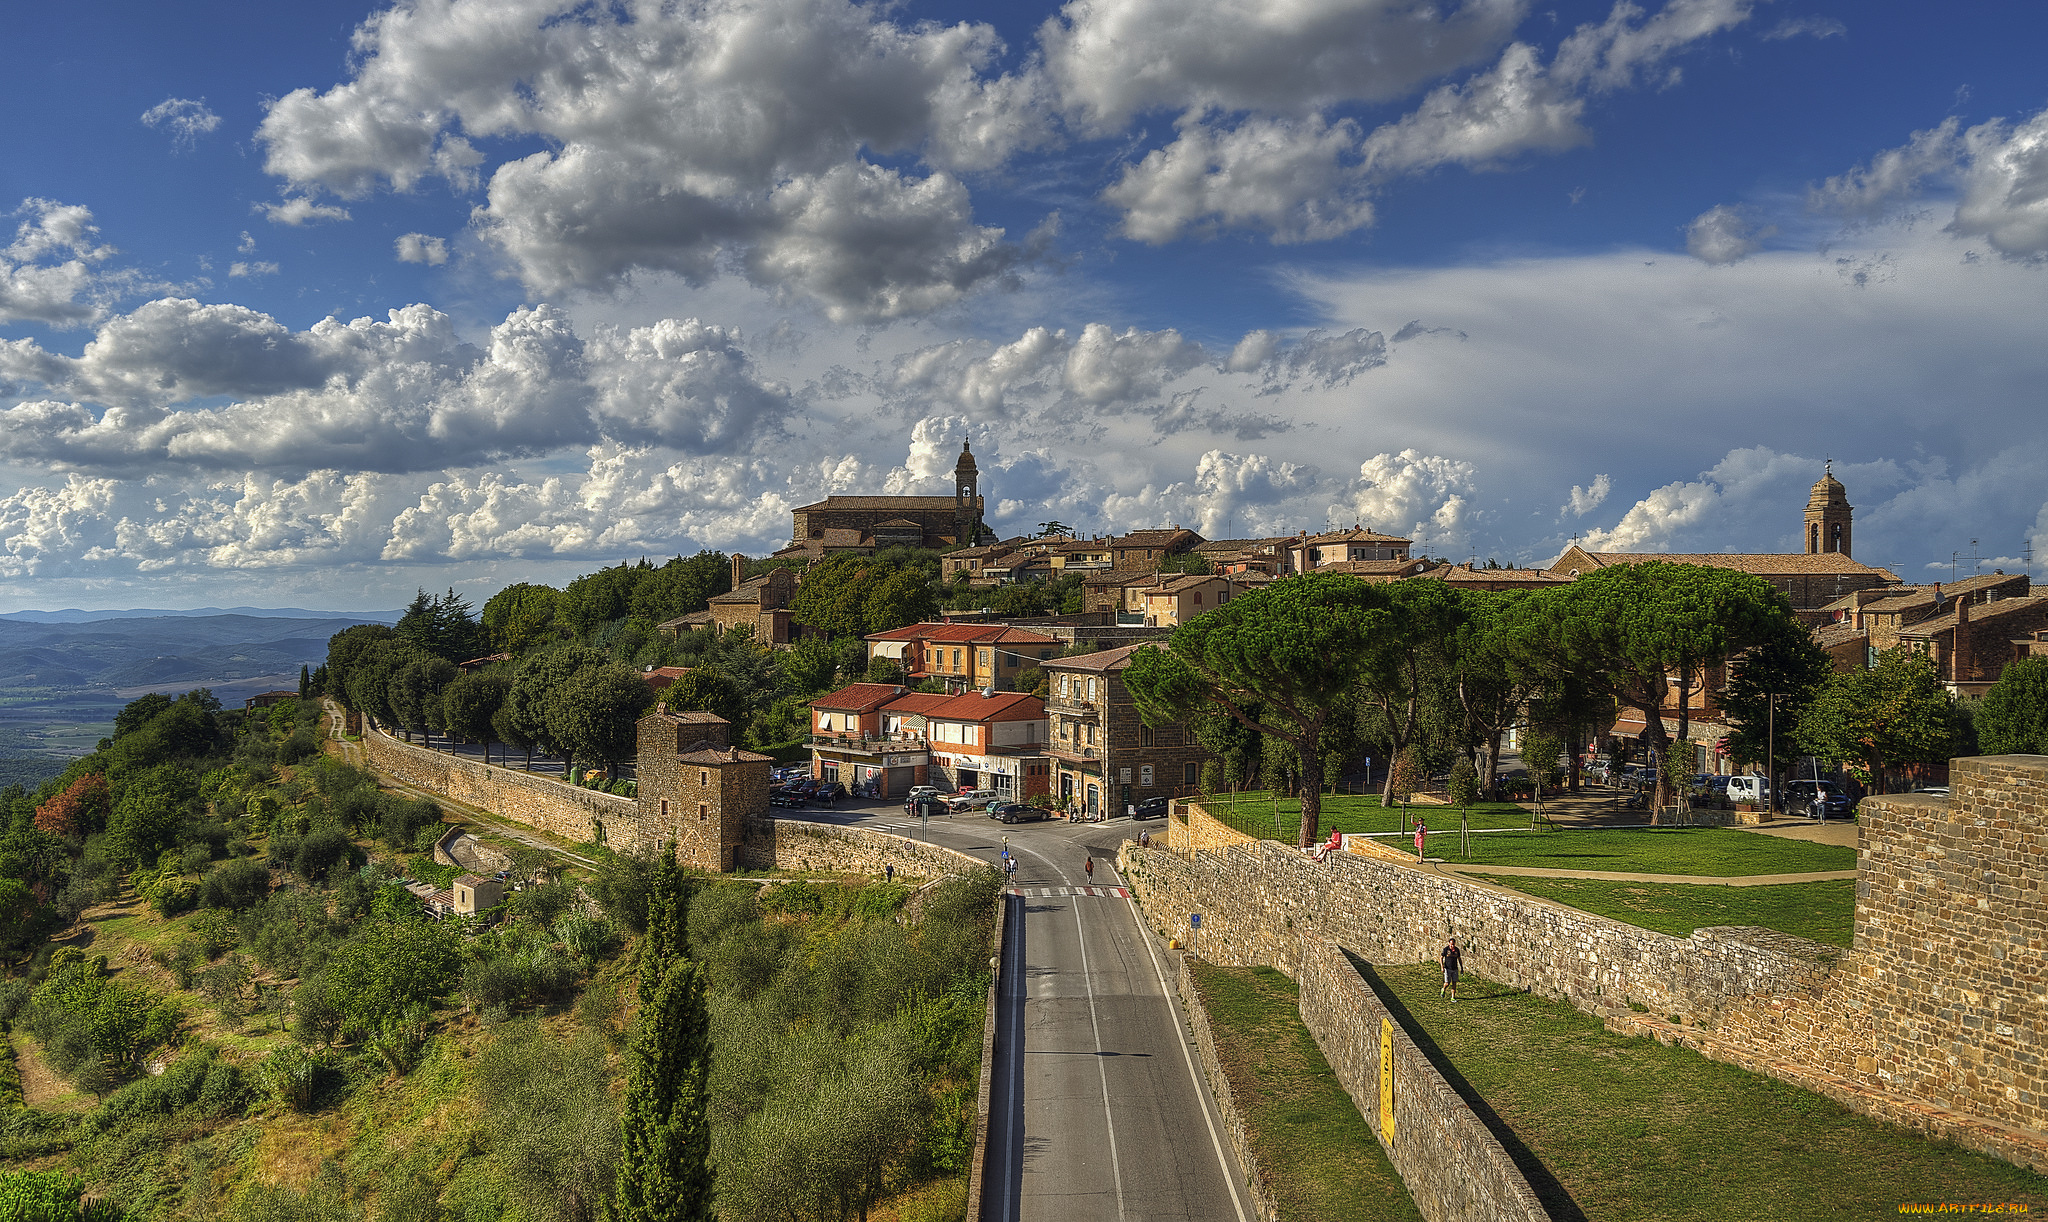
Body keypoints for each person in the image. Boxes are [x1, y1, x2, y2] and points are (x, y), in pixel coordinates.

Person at [1440, 936, 1462, 1001]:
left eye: (1453, 944)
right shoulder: (1446, 950)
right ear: (1449, 943)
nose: (1452, 945)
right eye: (1451, 944)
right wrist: (1442, 967)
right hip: (1447, 968)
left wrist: (1461, 967)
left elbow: (1459, 959)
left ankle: (1453, 997)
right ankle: (1443, 989)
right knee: (1447, 983)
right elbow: (1441, 958)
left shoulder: (1457, 950)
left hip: (1454, 968)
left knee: (1454, 983)